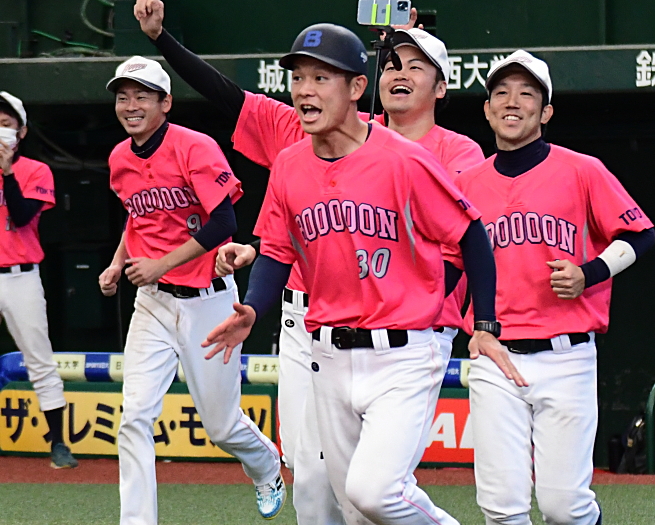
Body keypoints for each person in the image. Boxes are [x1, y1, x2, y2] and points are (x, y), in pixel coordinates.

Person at [133, 2, 484, 522]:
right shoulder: (309, 136)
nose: (400, 74)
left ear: (440, 86)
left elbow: (466, 242)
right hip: (313, 323)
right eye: (392, 63)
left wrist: (430, 312)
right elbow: (231, 103)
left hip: (405, 331)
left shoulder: (443, 154)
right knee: (314, 476)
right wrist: (162, 39)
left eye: (416, 66)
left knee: (371, 492)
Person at [201, 21, 526, 525]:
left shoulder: (404, 160)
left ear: (356, 87)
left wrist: (484, 325)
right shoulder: (289, 164)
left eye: (321, 78)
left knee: (375, 493)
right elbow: (278, 251)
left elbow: (470, 236)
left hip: (403, 351)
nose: (305, 90)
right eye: (298, 78)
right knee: (352, 509)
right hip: (328, 352)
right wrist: (255, 309)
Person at [454, 50, 655, 525]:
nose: (512, 102)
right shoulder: (463, 183)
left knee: (565, 507)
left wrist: (591, 272)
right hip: (495, 355)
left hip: (566, 355)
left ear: (545, 112)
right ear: (486, 109)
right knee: (501, 507)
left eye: (526, 94)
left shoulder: (582, 169)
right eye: (501, 92)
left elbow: (640, 233)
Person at [98, 56, 285, 524]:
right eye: (123, 97)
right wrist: (119, 263)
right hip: (153, 303)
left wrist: (160, 263)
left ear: (166, 102)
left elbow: (224, 221)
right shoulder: (120, 157)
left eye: (142, 96)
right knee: (134, 416)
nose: (130, 105)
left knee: (221, 425)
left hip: (209, 299)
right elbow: (139, 218)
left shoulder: (195, 146)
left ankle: (266, 466)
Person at [0, 91, 78, 470]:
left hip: (20, 276)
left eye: (6, 124)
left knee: (39, 359)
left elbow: (21, 215)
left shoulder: (35, 170)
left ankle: (58, 443)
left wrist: (7, 171)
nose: (0, 130)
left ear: (21, 131)